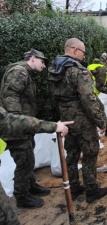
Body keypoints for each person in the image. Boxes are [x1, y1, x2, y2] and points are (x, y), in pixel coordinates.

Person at [47, 38, 107, 204]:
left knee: (72, 154)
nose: (83, 55)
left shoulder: (54, 69)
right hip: (82, 120)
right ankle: (91, 189)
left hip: (66, 120)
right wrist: (100, 121)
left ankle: (73, 187)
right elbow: (88, 99)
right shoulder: (77, 71)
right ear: (75, 50)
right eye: (83, 51)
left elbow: (54, 97)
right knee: (90, 152)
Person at [0, 107, 73, 224]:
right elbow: (10, 121)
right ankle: (21, 195)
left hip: (24, 131)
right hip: (17, 134)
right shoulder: (10, 89)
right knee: (6, 217)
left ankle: (30, 185)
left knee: (29, 161)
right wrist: (52, 126)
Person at [0, 49, 53, 209]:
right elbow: (11, 100)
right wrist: (20, 125)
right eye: (42, 61)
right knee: (24, 161)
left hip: (23, 126)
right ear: (32, 58)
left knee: (29, 157)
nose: (44, 66)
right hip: (17, 128)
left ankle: (31, 185)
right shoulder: (20, 72)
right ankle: (22, 196)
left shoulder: (26, 73)